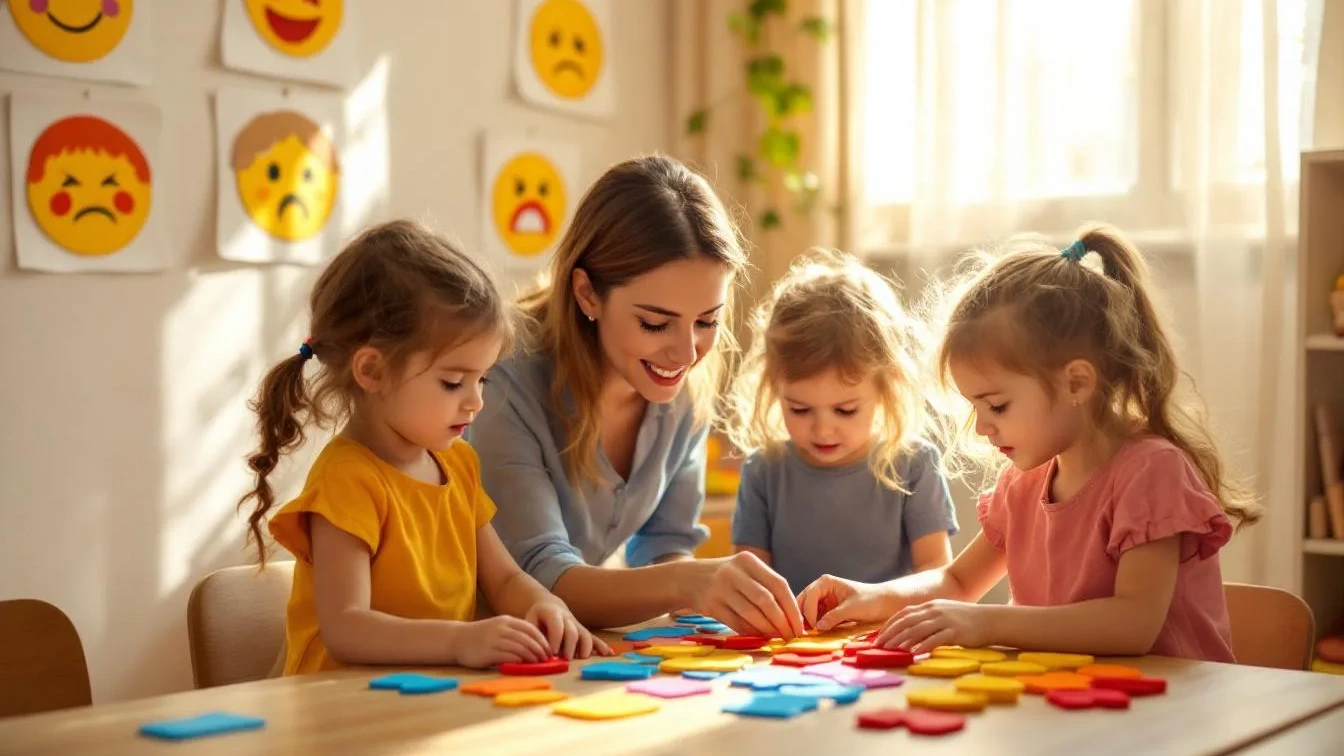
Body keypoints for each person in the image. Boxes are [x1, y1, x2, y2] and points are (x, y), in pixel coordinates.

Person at [798, 224, 1260, 661]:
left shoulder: (1152, 472)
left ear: (1076, 383)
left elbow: (1133, 624)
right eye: (975, 408)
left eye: (996, 406)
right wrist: (869, 595)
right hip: (1077, 707)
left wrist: (990, 624)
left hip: (1175, 715)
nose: (982, 428)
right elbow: (958, 581)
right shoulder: (1023, 484)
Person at [238, 219, 606, 675]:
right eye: (453, 382)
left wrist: (547, 605)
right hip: (338, 708)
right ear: (371, 371)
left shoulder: (459, 464)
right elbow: (346, 628)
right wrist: (460, 639)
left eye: (482, 378)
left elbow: (505, 578)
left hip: (422, 697)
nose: (476, 401)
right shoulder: (347, 480)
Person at [469, 155, 805, 639]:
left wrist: (705, 606)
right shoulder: (503, 378)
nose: (688, 352)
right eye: (654, 323)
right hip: (477, 648)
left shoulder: (683, 391)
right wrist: (689, 581)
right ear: (587, 294)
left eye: (708, 321)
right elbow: (540, 577)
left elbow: (666, 544)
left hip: (571, 654)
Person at [724, 250, 957, 595]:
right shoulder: (764, 470)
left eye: (845, 410)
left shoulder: (914, 464)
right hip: (791, 644)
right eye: (799, 409)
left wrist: (872, 602)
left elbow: (939, 578)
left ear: (886, 388)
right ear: (773, 388)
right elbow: (751, 586)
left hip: (885, 641)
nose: (822, 430)